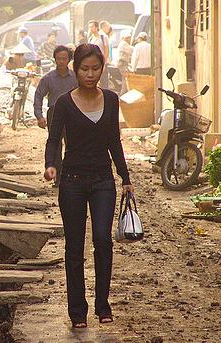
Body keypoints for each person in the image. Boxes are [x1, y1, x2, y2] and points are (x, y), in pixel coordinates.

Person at [44, 43, 134, 328]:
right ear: (75, 69)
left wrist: (126, 177)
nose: (90, 74)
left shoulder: (111, 99)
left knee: (103, 241)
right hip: (71, 181)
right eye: (85, 69)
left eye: (96, 69)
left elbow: (114, 141)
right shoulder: (63, 103)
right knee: (74, 247)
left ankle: (102, 304)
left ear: (102, 69)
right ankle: (77, 311)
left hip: (103, 181)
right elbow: (53, 139)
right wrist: (51, 164)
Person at [34, 46, 78, 186]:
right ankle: (58, 177)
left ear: (69, 59)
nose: (61, 61)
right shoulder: (48, 78)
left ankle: (71, 175)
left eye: (64, 58)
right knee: (56, 145)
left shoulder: (76, 78)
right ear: (55, 60)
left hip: (73, 114)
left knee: (73, 145)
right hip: (54, 113)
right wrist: (39, 116)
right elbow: (38, 95)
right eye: (58, 58)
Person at [88, 20, 109, 87]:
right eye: (89, 27)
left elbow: (106, 50)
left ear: (96, 27)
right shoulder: (91, 39)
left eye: (92, 27)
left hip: (101, 62)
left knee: (104, 81)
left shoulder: (103, 37)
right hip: (93, 63)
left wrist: (104, 62)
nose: (90, 29)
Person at [116, 30, 133, 95]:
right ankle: (123, 94)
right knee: (126, 79)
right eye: (127, 38)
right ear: (123, 38)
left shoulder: (124, 44)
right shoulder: (123, 44)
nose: (129, 39)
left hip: (124, 64)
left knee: (125, 79)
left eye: (129, 37)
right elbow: (131, 50)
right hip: (122, 64)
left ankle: (124, 94)